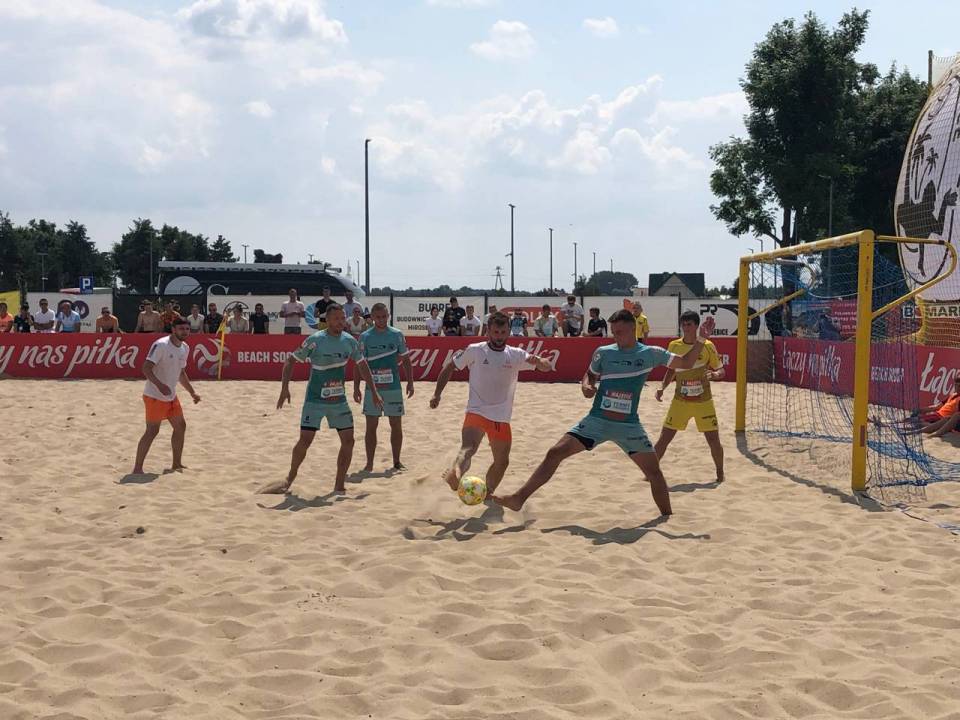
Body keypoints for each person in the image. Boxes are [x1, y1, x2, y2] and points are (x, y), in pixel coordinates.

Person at [492, 310, 717, 515]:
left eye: (620, 332)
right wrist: (586, 386)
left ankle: (667, 516)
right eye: (613, 332)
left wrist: (701, 339)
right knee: (555, 452)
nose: (616, 337)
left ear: (633, 329)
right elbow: (589, 375)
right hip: (597, 420)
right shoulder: (603, 353)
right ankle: (518, 499)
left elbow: (686, 362)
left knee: (654, 472)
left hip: (629, 426)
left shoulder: (651, 353)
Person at [258, 304, 382, 495]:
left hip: (339, 401)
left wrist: (373, 391)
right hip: (315, 401)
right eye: (336, 318)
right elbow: (290, 361)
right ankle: (289, 478)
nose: (340, 322)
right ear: (327, 320)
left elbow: (362, 365)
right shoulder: (315, 340)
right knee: (305, 440)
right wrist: (284, 388)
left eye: (343, 318)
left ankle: (339, 485)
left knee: (348, 441)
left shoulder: (349, 341)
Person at [429, 312, 553, 495]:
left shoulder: (516, 354)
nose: (499, 336)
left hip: (501, 417)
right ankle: (456, 473)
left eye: (503, 332)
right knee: (468, 448)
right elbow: (449, 367)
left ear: (509, 331)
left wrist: (541, 362)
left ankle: (487, 492)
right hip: (476, 412)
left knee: (502, 461)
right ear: (488, 331)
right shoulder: (475, 350)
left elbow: (546, 366)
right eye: (495, 332)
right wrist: (437, 394)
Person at [654, 310, 725, 483]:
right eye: (683, 324)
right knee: (664, 438)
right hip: (680, 401)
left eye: (689, 324)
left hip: (703, 401)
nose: (686, 327)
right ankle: (650, 474)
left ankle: (720, 473)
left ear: (696, 326)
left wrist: (715, 375)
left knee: (713, 440)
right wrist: (662, 387)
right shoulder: (674, 345)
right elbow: (671, 370)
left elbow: (721, 370)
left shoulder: (708, 345)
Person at [132, 318, 201, 474]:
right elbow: (146, 368)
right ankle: (137, 468)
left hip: (171, 396)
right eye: (181, 328)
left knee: (180, 426)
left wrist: (192, 392)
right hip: (154, 396)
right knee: (152, 431)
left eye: (187, 329)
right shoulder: (161, 345)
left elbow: (181, 373)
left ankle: (176, 464)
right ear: (173, 329)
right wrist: (160, 385)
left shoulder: (185, 347)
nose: (185, 332)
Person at [354, 303, 415, 471]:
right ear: (372, 318)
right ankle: (369, 464)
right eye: (378, 317)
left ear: (388, 316)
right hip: (372, 389)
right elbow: (359, 365)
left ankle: (396, 461)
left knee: (396, 425)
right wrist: (356, 387)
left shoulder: (397, 335)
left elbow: (406, 360)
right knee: (371, 427)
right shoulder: (365, 337)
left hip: (393, 388)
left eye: (384, 316)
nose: (381, 320)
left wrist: (410, 382)